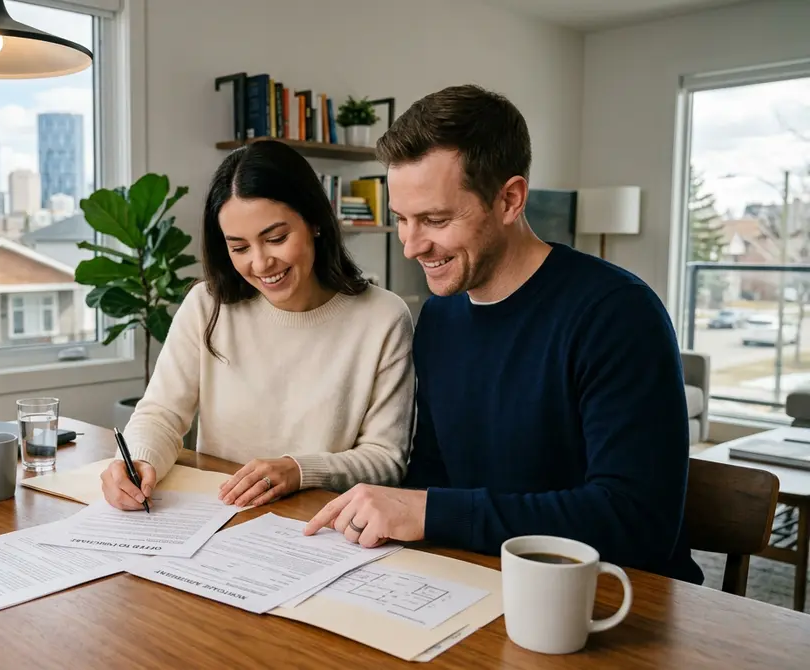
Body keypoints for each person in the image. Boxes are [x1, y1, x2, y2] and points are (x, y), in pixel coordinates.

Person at [305, 84, 703, 584]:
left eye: (435, 219)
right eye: (402, 219)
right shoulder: (441, 317)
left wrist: (432, 513)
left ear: (510, 199)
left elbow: (637, 522)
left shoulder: (617, 314)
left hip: (614, 601)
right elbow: (433, 478)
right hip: (484, 582)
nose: (411, 246)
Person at [100, 140, 415, 512]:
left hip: (320, 524)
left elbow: (386, 459)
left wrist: (299, 470)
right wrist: (139, 460)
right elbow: (161, 414)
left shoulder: (383, 317)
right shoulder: (208, 305)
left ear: (315, 221)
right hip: (218, 517)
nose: (261, 263)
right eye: (239, 247)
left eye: (276, 238)